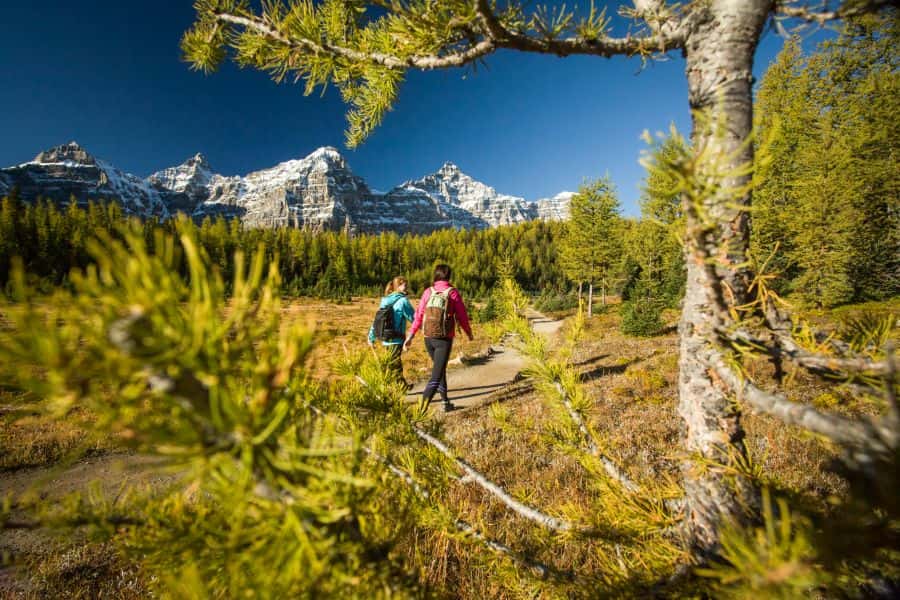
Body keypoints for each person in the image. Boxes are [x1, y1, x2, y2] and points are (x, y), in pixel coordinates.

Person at [403, 264, 473, 412]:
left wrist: (410, 335)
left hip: (428, 338)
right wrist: (468, 333)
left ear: (436, 275)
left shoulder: (428, 292)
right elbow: (462, 316)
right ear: (449, 276)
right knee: (436, 375)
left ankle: (445, 402)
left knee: (439, 369)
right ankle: (420, 410)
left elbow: (418, 315)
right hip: (444, 339)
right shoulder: (452, 293)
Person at [368, 276, 415, 388]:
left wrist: (371, 336)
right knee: (395, 364)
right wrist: (426, 328)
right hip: (396, 338)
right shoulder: (403, 301)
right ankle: (398, 388)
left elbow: (377, 320)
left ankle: (396, 386)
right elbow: (414, 318)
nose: (406, 287)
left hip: (385, 339)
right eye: (404, 284)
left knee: (392, 363)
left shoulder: (385, 301)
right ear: (397, 286)